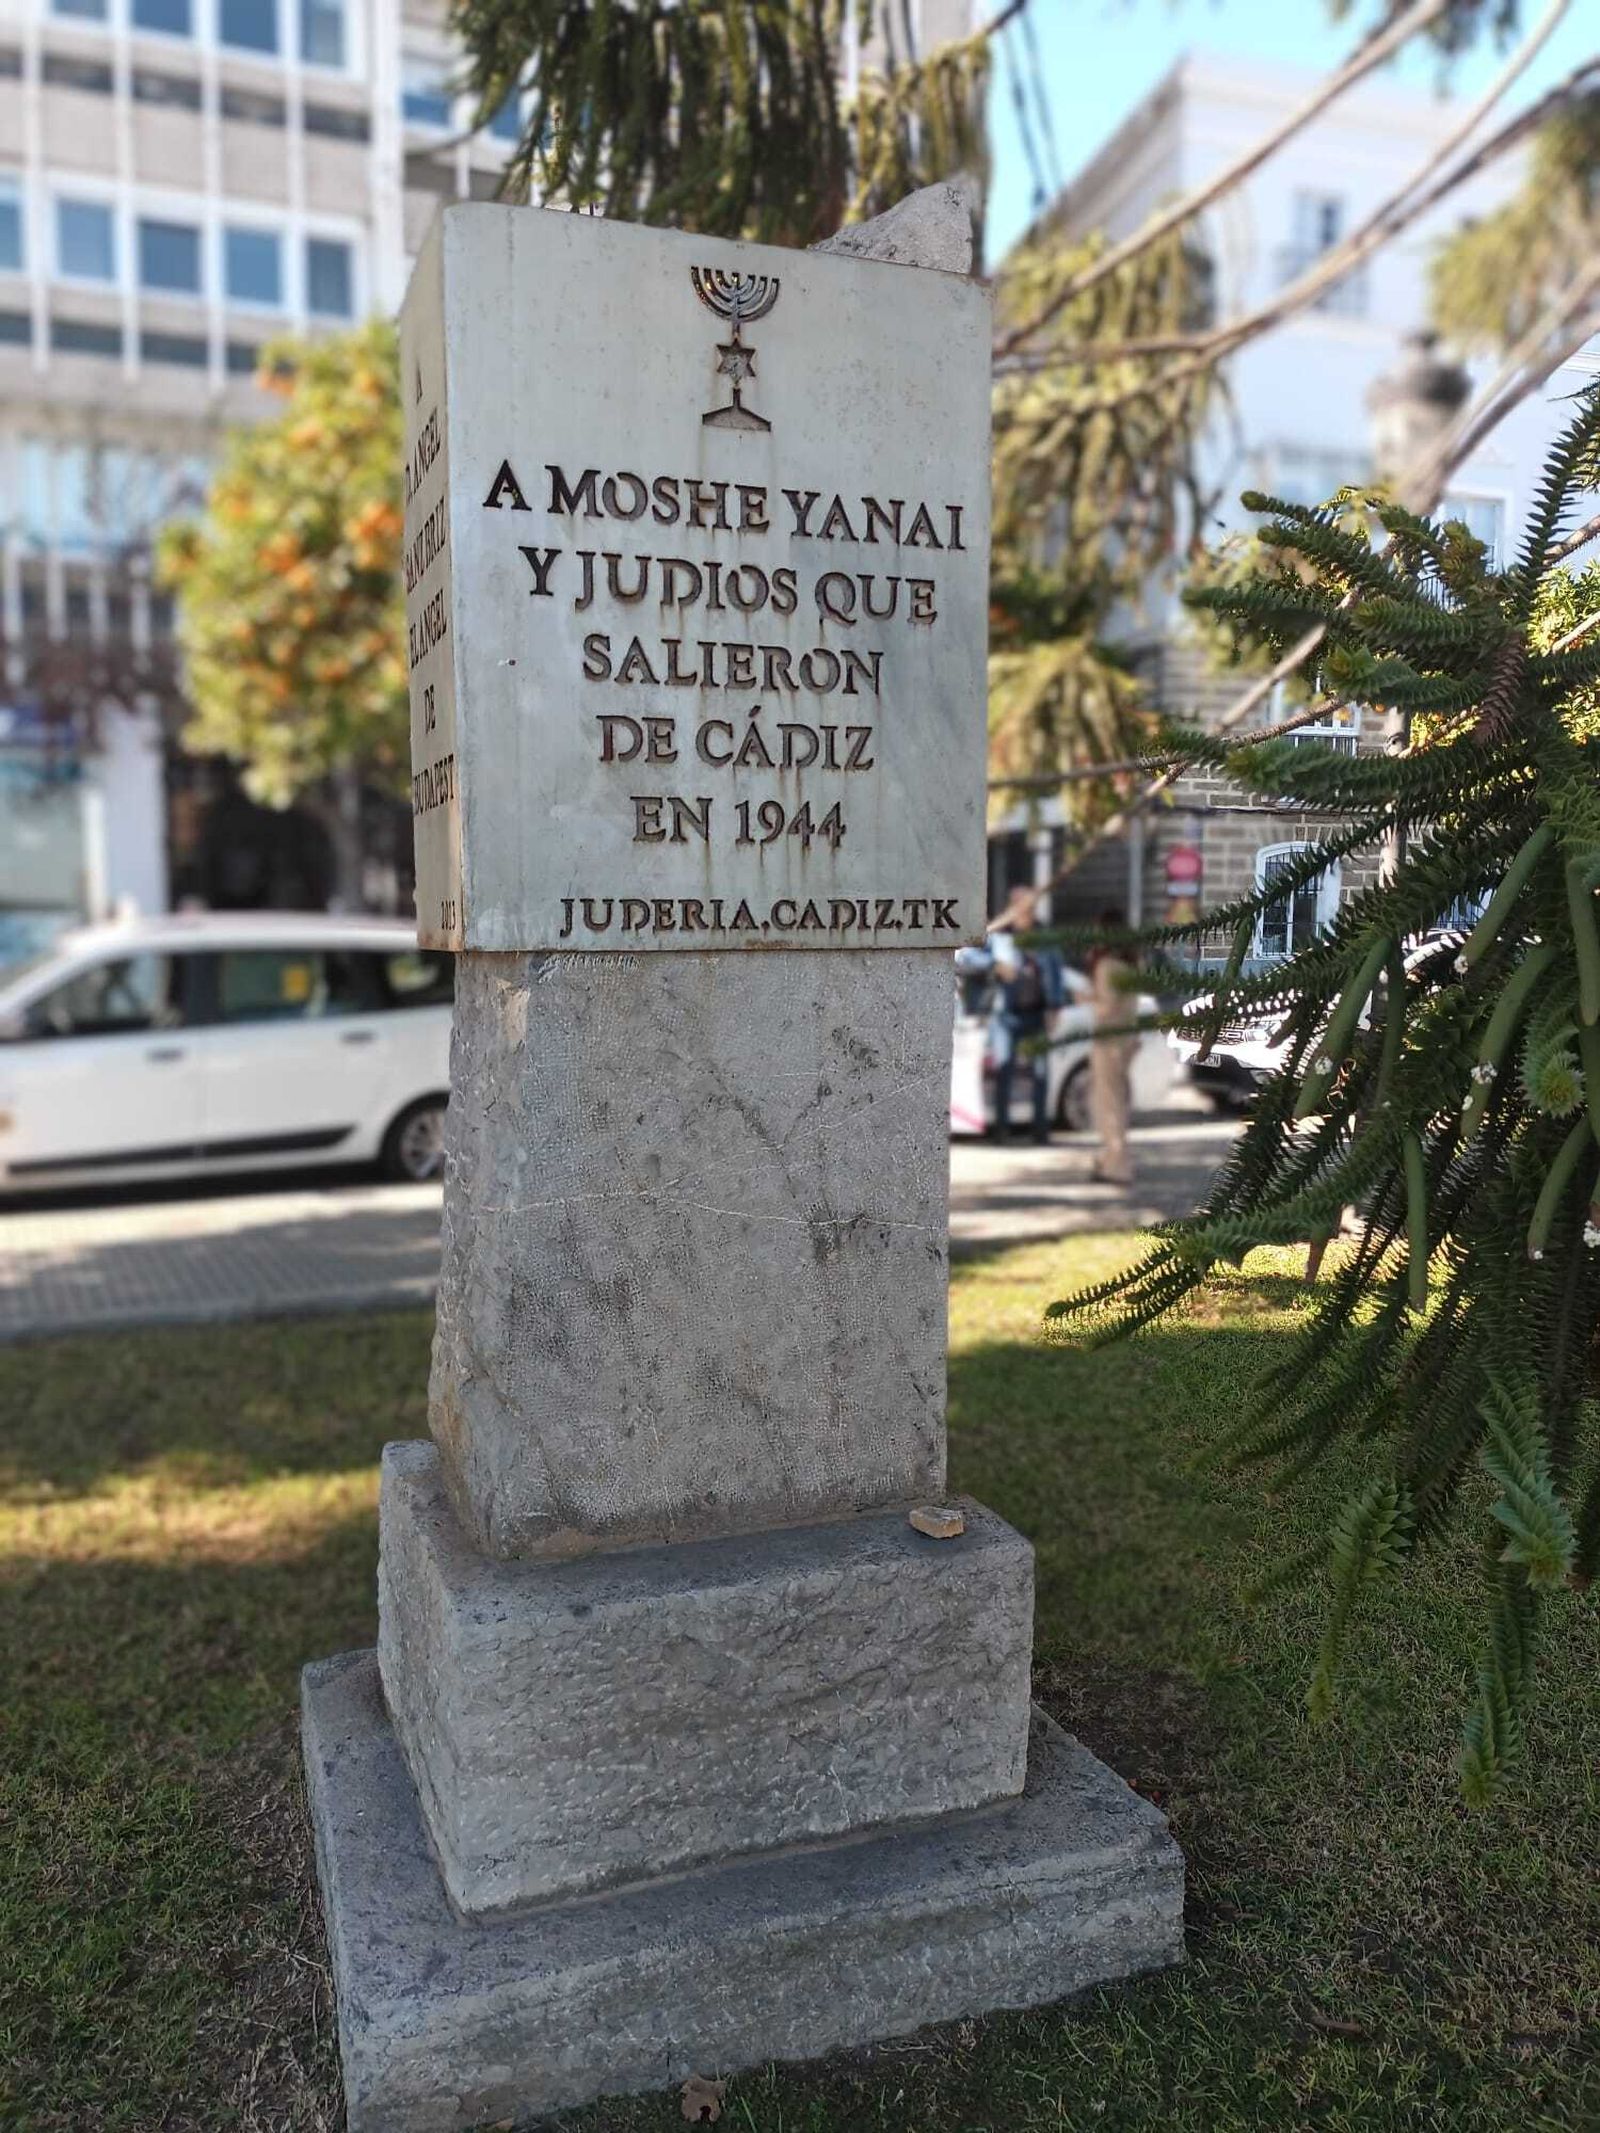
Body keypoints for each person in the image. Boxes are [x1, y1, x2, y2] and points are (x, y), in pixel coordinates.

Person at [991, 936, 1064, 1143]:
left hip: (1036, 1016)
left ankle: (1040, 1130)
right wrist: (995, 966)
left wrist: (1054, 1008)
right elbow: (969, 957)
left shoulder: (1046, 946)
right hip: (1007, 1017)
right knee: (1003, 1071)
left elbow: (1055, 977)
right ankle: (1001, 1130)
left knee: (1041, 1074)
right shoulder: (1002, 942)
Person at [1088, 910, 1138, 1186]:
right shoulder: (1130, 963)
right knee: (1118, 1102)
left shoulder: (1107, 966)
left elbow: (1106, 1006)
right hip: (1127, 1038)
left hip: (1109, 1040)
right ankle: (1114, 1160)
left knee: (1107, 1104)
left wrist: (1085, 998)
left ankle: (1116, 1165)